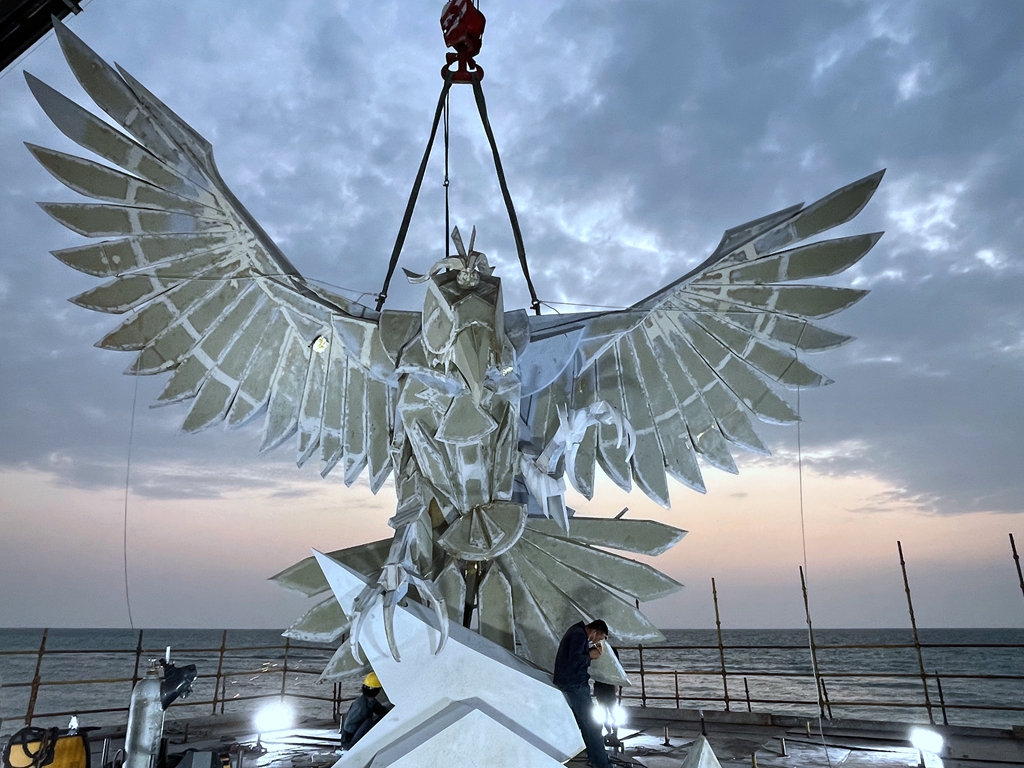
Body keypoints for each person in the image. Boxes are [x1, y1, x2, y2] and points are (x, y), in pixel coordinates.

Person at [553, 619, 611, 768]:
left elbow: (573, 657)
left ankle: (596, 759)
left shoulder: (576, 631)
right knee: (592, 726)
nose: (599, 641)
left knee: (587, 724)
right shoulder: (578, 635)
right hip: (574, 684)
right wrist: (590, 655)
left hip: (571, 683)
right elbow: (575, 661)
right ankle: (601, 764)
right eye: (600, 637)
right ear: (594, 632)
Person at [340, 672, 390, 750]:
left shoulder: (368, 701)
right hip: (349, 742)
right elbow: (349, 729)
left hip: (351, 736)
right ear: (377, 691)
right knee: (370, 722)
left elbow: (381, 711)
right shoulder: (362, 707)